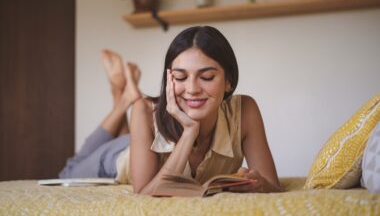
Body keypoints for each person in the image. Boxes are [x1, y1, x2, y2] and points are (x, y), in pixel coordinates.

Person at [116, 26, 283, 194]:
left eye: (206, 77)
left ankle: (123, 94)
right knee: (91, 154)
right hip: (116, 157)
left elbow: (274, 187)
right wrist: (189, 132)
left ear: (229, 81)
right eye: (180, 77)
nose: (192, 89)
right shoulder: (144, 111)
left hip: (136, 137)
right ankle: (120, 96)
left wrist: (260, 184)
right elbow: (145, 195)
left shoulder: (245, 110)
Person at [59, 49, 141, 179]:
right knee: (73, 166)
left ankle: (120, 95)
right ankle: (120, 95)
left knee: (68, 174)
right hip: (133, 143)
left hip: (135, 144)